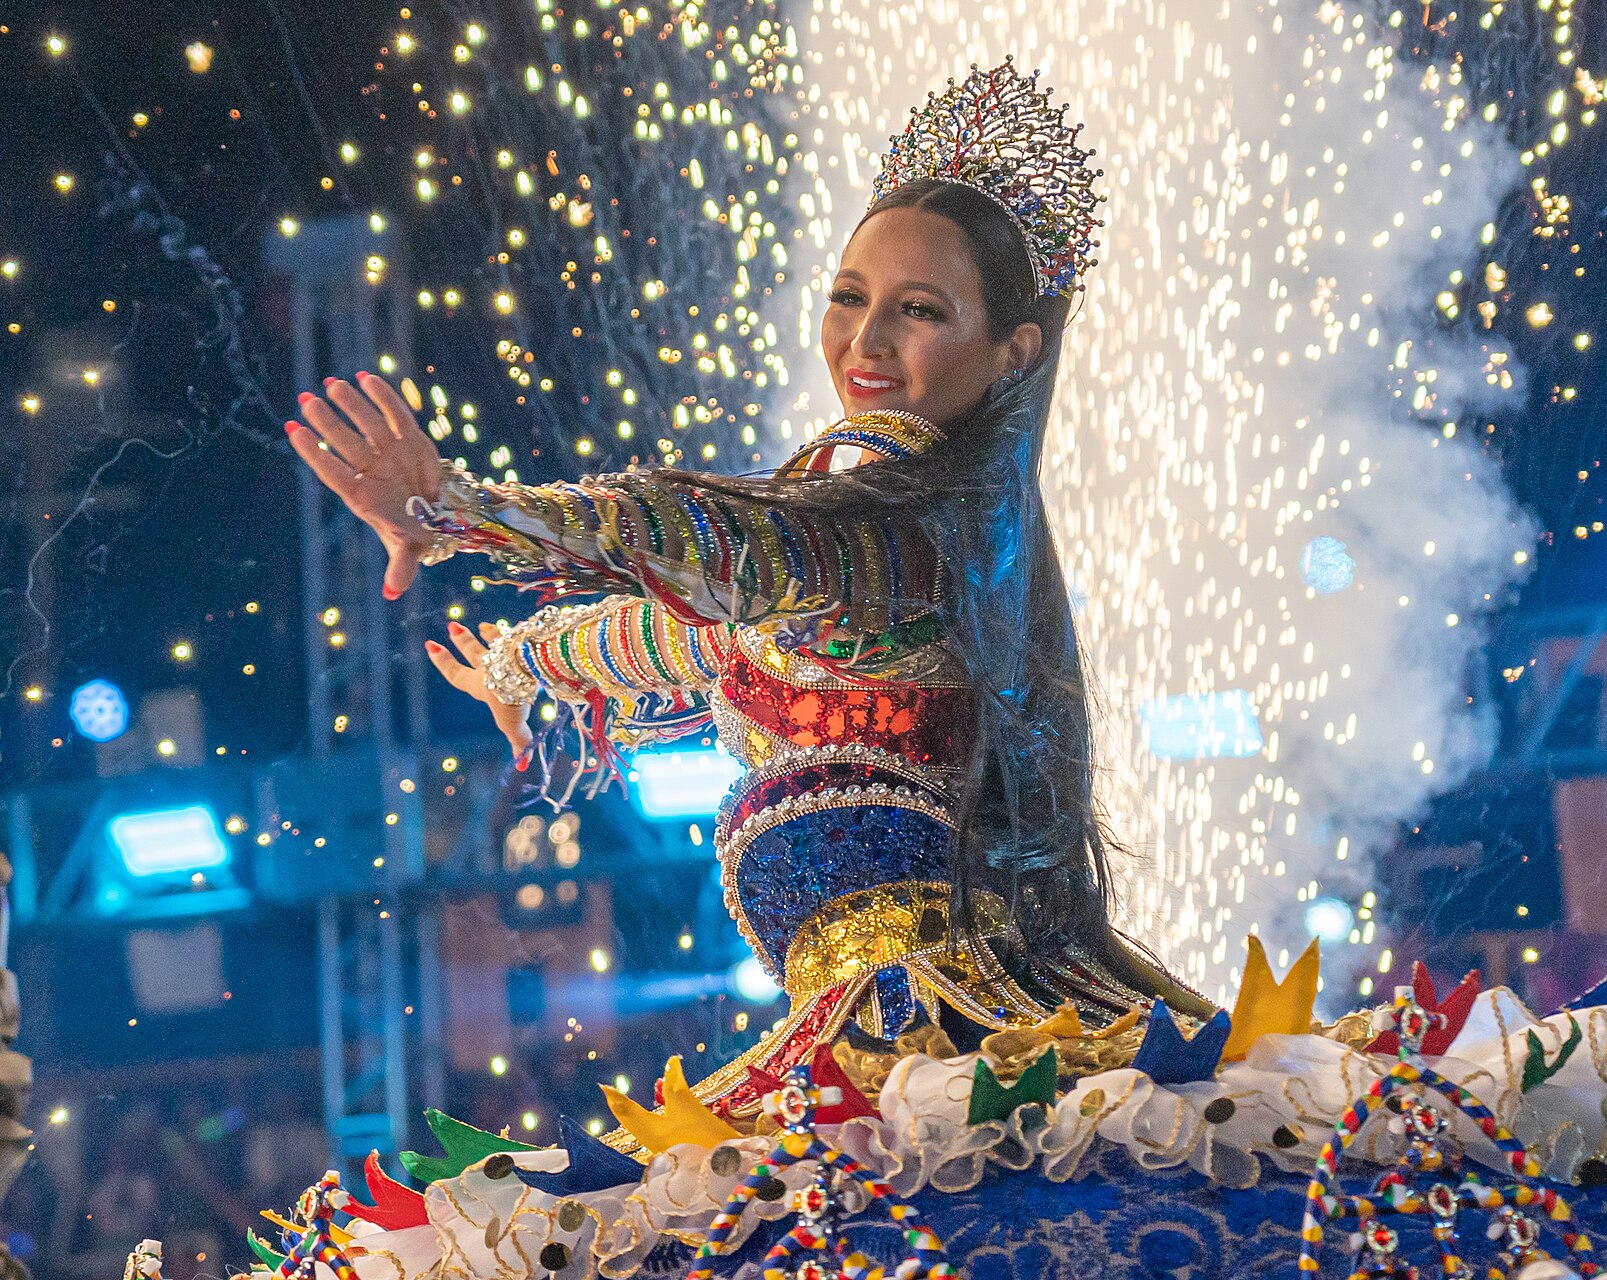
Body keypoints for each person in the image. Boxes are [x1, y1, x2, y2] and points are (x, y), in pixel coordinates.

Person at [285, 60, 1211, 1121]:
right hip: (882, 1050)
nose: (865, 341)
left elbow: (716, 542)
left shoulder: (899, 537)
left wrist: (467, 510)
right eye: (849, 298)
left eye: (918, 311)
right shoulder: (902, 543)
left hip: (933, 1064)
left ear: (1014, 350)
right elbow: (689, 635)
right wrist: (521, 660)